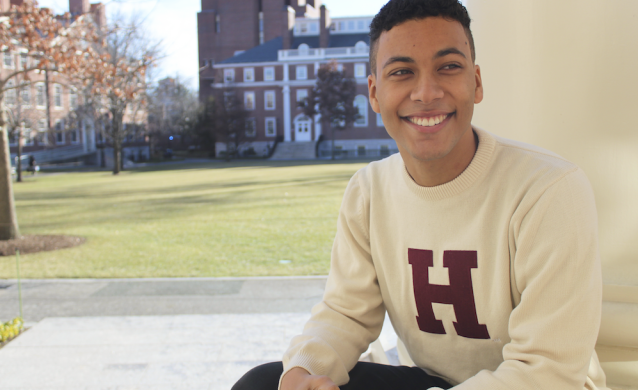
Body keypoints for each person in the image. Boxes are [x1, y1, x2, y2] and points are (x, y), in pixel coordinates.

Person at [232, 0, 608, 389]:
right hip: (429, 381)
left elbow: (546, 369)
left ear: (476, 83)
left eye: (448, 67)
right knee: (262, 384)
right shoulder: (369, 191)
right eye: (402, 72)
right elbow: (347, 313)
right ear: (375, 94)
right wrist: (304, 371)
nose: (426, 92)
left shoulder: (548, 189)